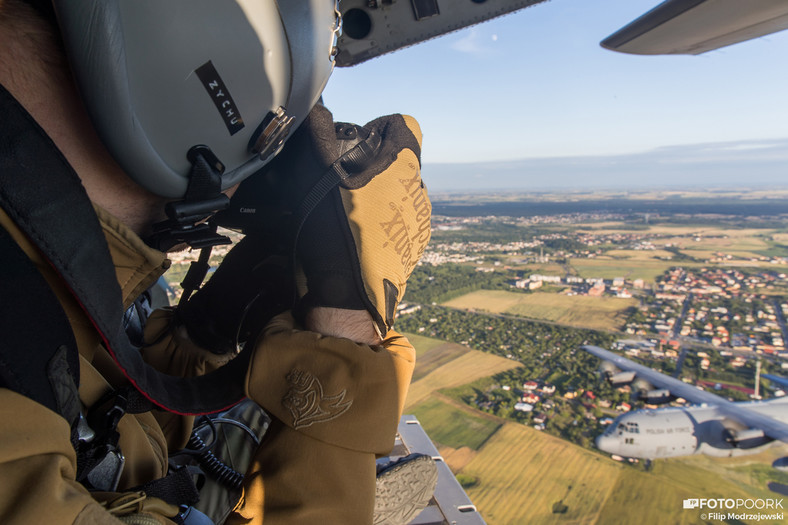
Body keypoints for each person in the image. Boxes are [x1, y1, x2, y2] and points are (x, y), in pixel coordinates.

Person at [0, 1, 431, 524]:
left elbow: (97, 438)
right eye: (258, 140)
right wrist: (347, 340)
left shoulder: (31, 274)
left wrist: (199, 337)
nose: (237, 186)